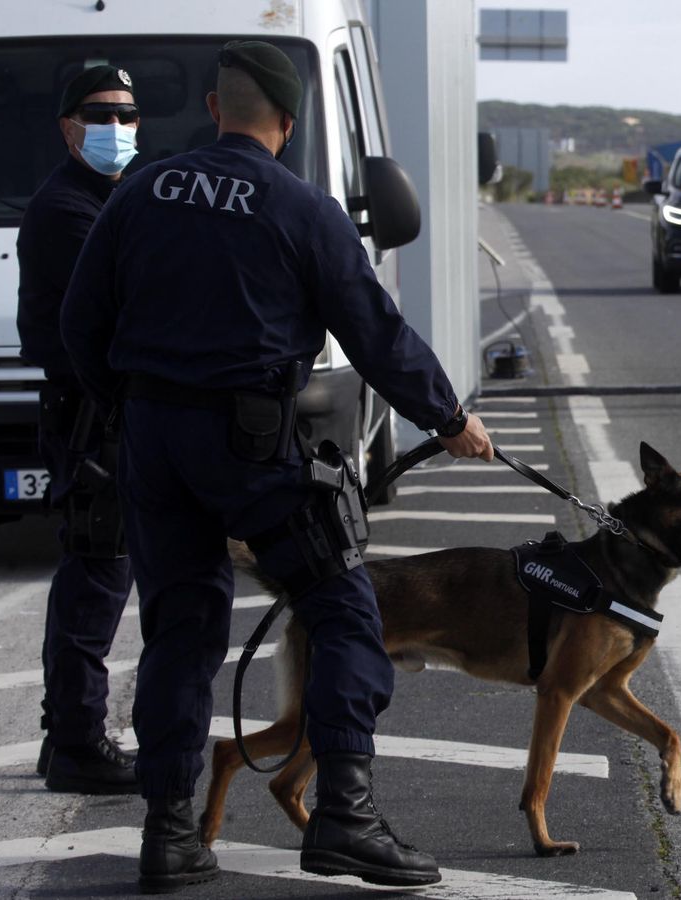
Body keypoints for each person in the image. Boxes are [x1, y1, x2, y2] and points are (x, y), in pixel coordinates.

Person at [60, 41, 493, 893]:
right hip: (250, 444)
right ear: (288, 125)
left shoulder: (141, 192)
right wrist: (447, 418)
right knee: (342, 610)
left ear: (216, 111)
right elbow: (376, 333)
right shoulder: (301, 207)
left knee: (179, 632)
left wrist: (133, 408)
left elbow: (81, 322)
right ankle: (346, 817)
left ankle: (171, 833)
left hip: (151, 438)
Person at [17, 64, 142, 796]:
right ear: (68, 127)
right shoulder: (70, 209)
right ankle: (76, 744)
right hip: (91, 423)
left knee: (97, 574)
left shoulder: (107, 197)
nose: (117, 127)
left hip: (100, 418)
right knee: (96, 578)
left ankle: (63, 730)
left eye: (128, 115)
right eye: (100, 114)